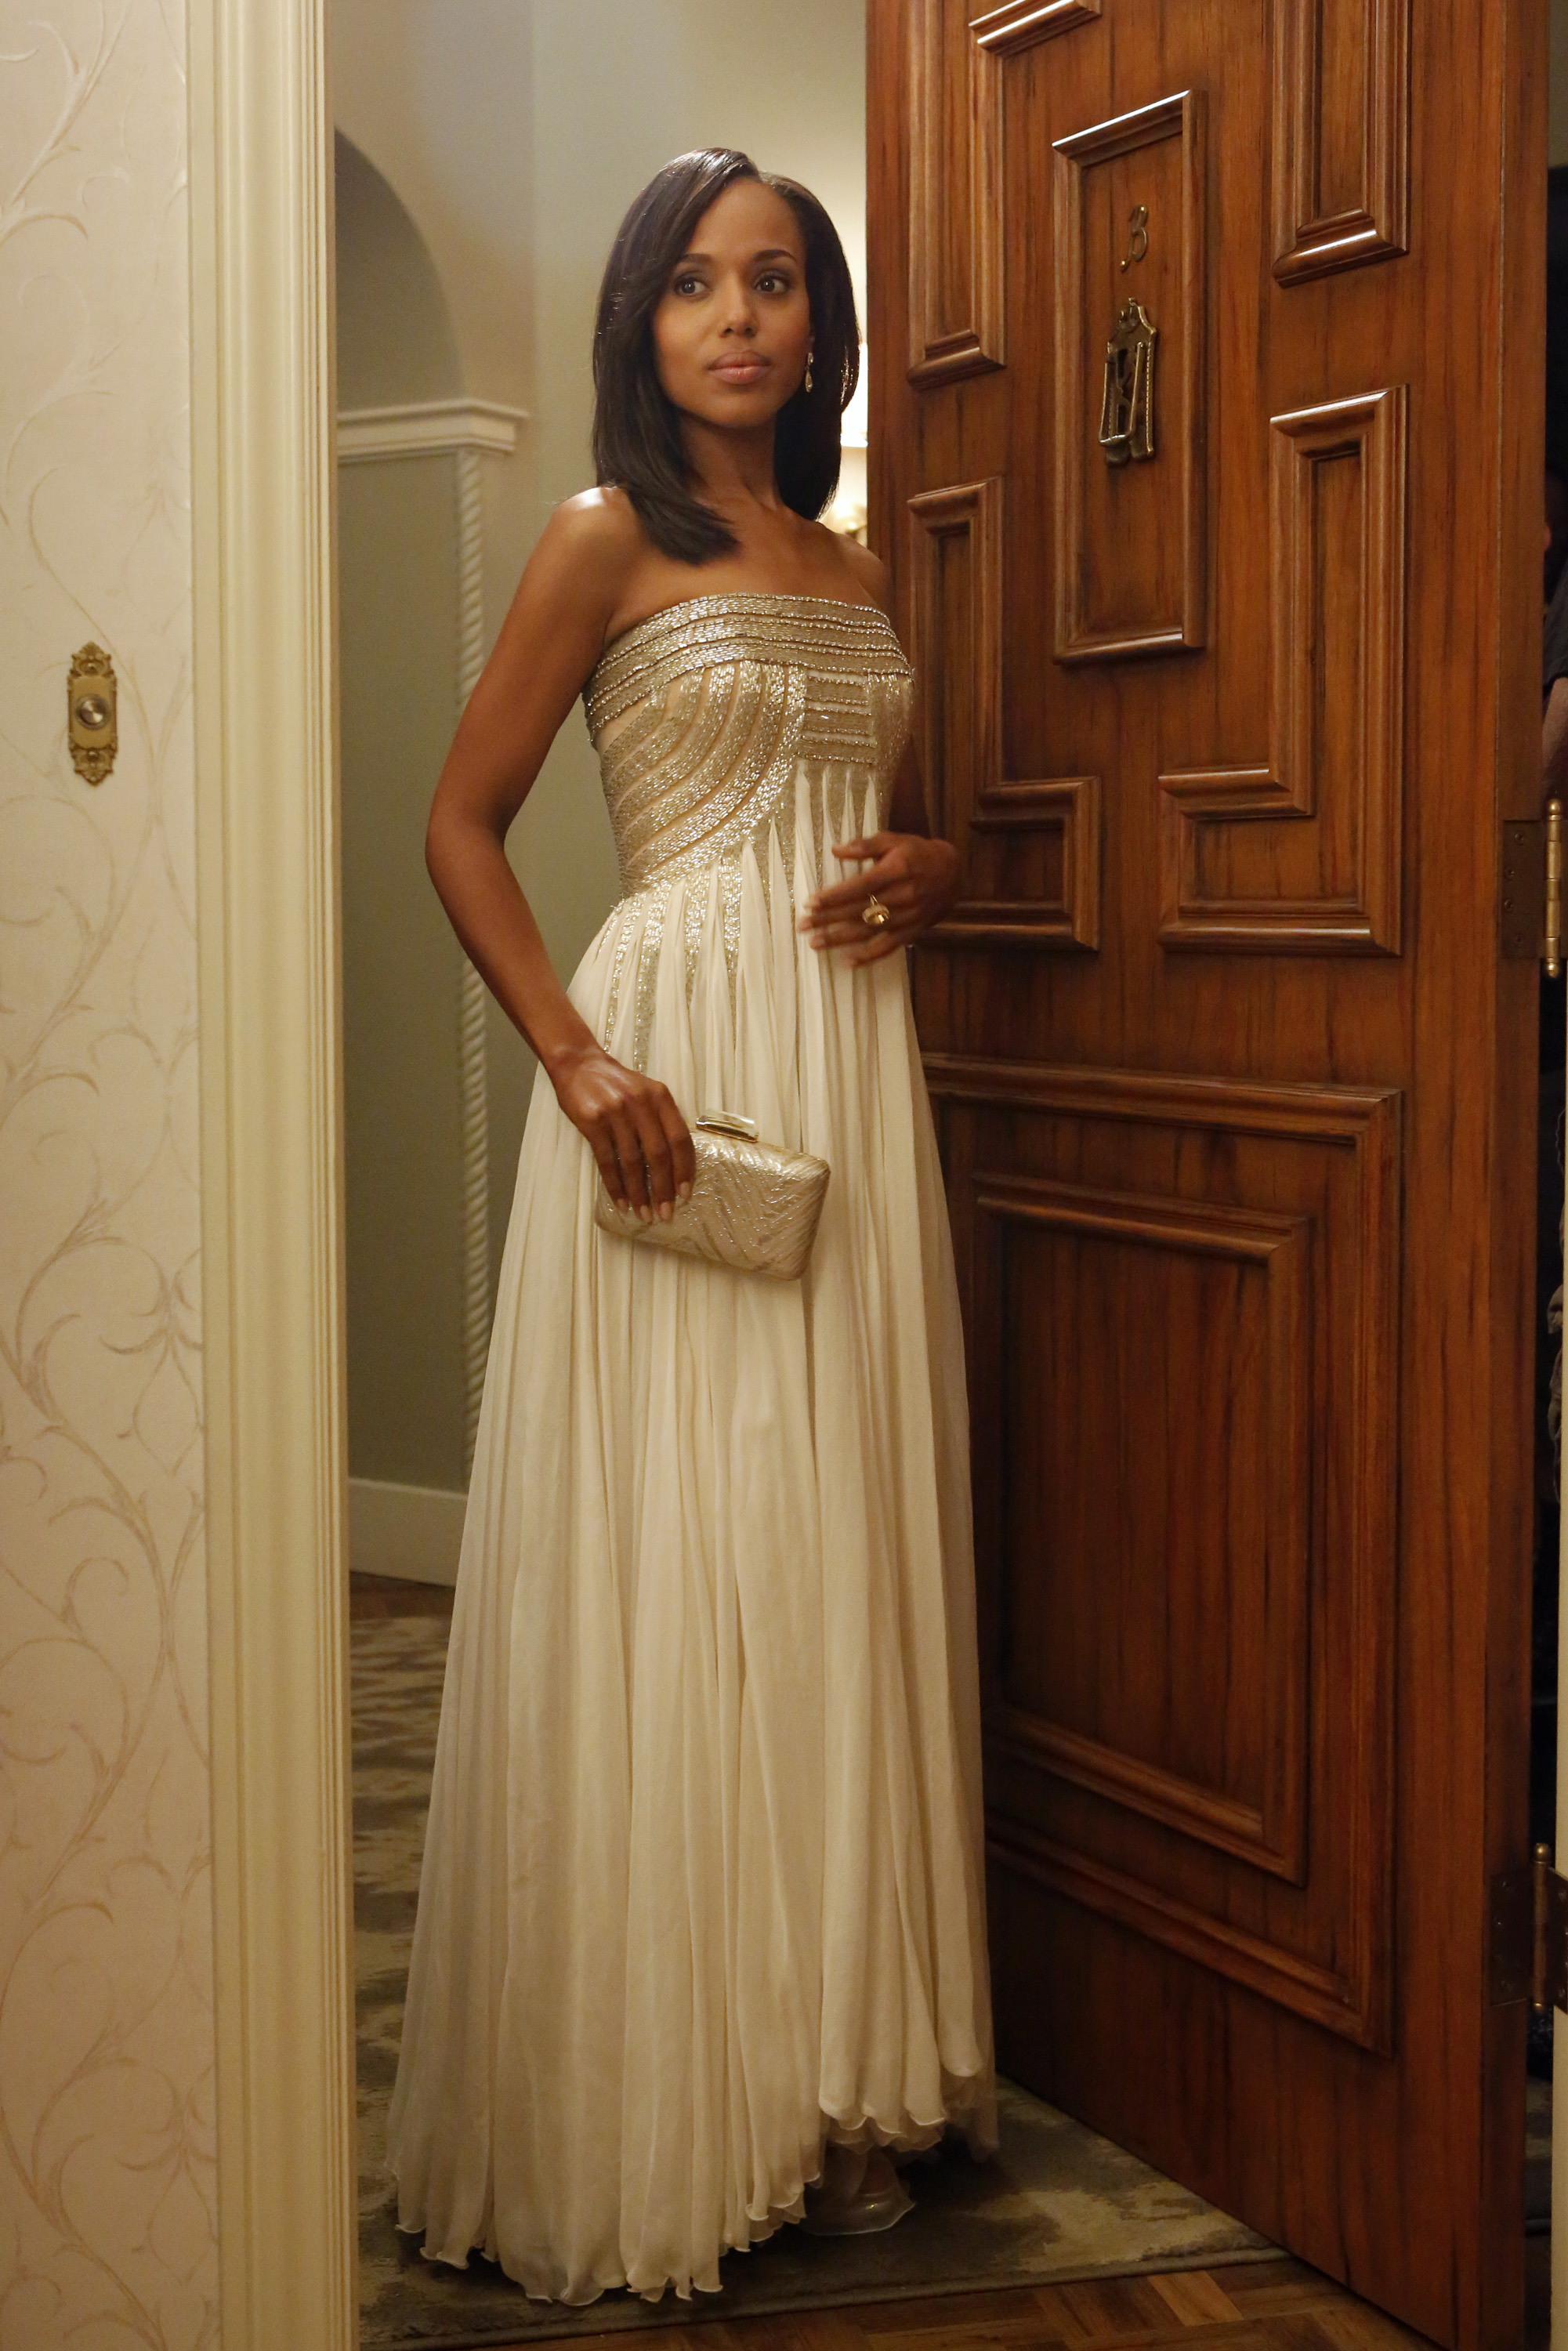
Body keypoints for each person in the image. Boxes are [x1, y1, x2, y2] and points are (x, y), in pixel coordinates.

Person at [386, 147, 997, 2307]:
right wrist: (573, 1059)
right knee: (695, 1532)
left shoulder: (854, 566)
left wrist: (937, 869)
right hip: (671, 1076)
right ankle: (686, 2088)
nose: (736, 318)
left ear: (821, 328)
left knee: (831, 1527)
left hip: (849, 1068)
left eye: (774, 281)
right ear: (641, 322)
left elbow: (874, 822)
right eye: (694, 284)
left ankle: (833, 2075)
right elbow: (458, 824)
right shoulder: (600, 537)